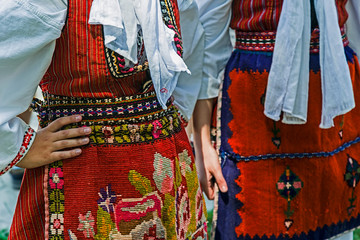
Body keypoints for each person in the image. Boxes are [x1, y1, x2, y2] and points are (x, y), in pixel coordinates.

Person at [0, 0, 227, 239]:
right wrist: (20, 147)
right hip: (84, 177)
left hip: (169, 176)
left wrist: (172, 120)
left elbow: (189, 56)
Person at [193, 0, 360, 239]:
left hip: (332, 104)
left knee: (333, 227)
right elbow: (209, 32)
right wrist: (202, 143)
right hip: (256, 109)